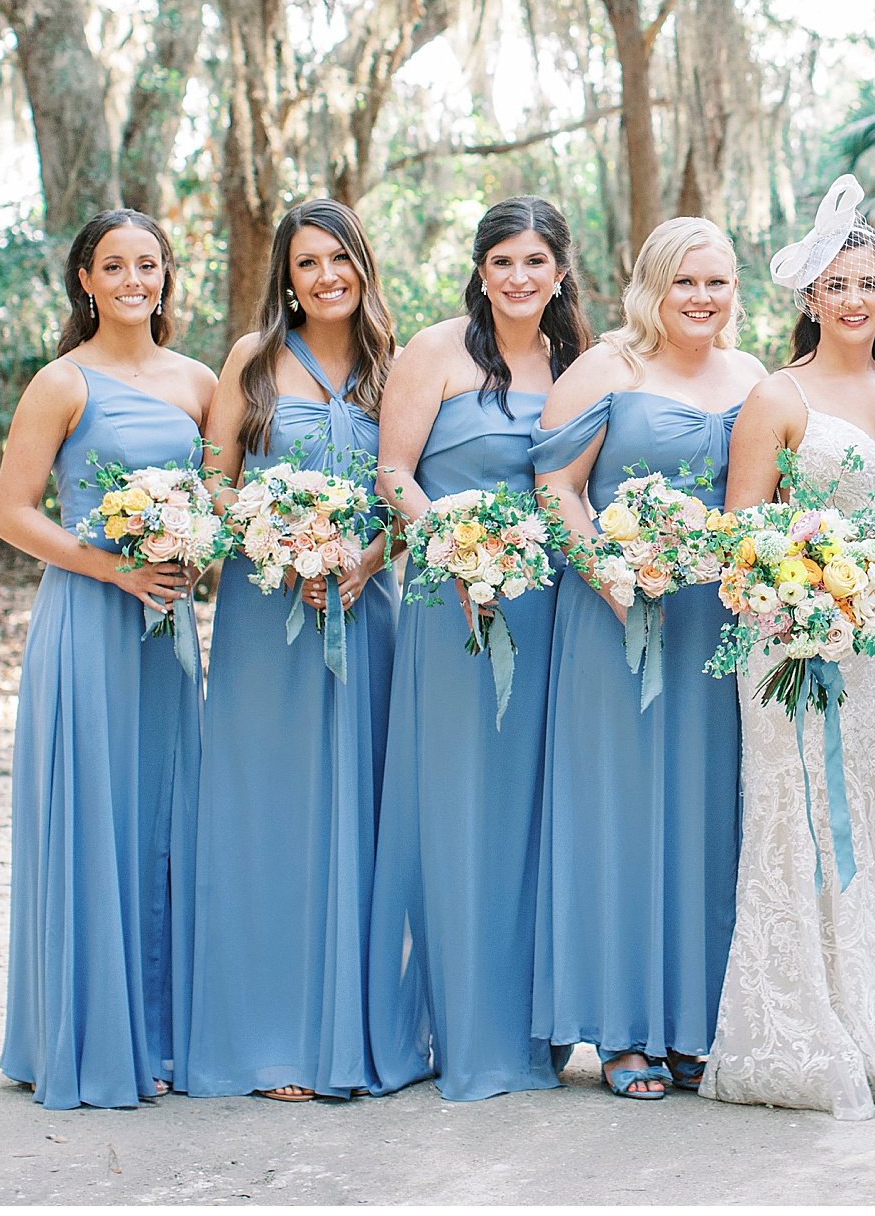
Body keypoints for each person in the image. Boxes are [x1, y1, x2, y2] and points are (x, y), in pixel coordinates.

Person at [704, 178, 875, 1121]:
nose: (854, 299)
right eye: (835, 284)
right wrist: (801, 597)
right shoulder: (777, 396)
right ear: (809, 299)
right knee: (803, 821)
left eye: (869, 282)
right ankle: (809, 1023)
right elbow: (740, 533)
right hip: (796, 649)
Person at [530, 216, 764, 1101]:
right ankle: (625, 1032)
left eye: (719, 282)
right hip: (615, 620)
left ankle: (696, 1024)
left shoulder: (753, 376)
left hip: (719, 624)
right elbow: (555, 484)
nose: (703, 299)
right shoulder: (608, 368)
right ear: (651, 288)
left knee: (708, 820)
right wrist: (607, 572)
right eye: (685, 283)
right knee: (622, 817)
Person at [365, 196, 588, 1100]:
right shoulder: (435, 350)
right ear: (481, 269)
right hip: (450, 603)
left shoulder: (582, 360)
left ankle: (533, 1030)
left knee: (536, 810)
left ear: (562, 270)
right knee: (456, 809)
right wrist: (453, 546)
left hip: (549, 610)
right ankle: (460, 1030)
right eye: (504, 262)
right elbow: (393, 474)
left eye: (536, 261)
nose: (520, 278)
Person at [0, 209, 214, 1108]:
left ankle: (160, 1034)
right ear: (85, 280)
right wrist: (113, 568)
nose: (133, 280)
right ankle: (86, 1036)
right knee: (94, 813)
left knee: (165, 819)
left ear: (166, 276)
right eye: (113, 266)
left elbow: (221, 500)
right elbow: (12, 511)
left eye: (147, 264)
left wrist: (197, 549)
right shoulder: (62, 382)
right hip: (88, 618)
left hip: (167, 630)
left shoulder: (200, 382)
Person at [186, 199, 400, 1101]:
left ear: (363, 265)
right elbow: (213, 483)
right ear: (286, 275)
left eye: (340, 259)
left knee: (359, 819)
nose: (326, 277)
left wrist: (363, 554)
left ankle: (349, 1033)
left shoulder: (399, 365)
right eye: (308, 263)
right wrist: (281, 547)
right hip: (261, 621)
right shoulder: (252, 360)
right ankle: (271, 1039)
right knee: (266, 818)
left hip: (365, 604)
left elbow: (407, 486)